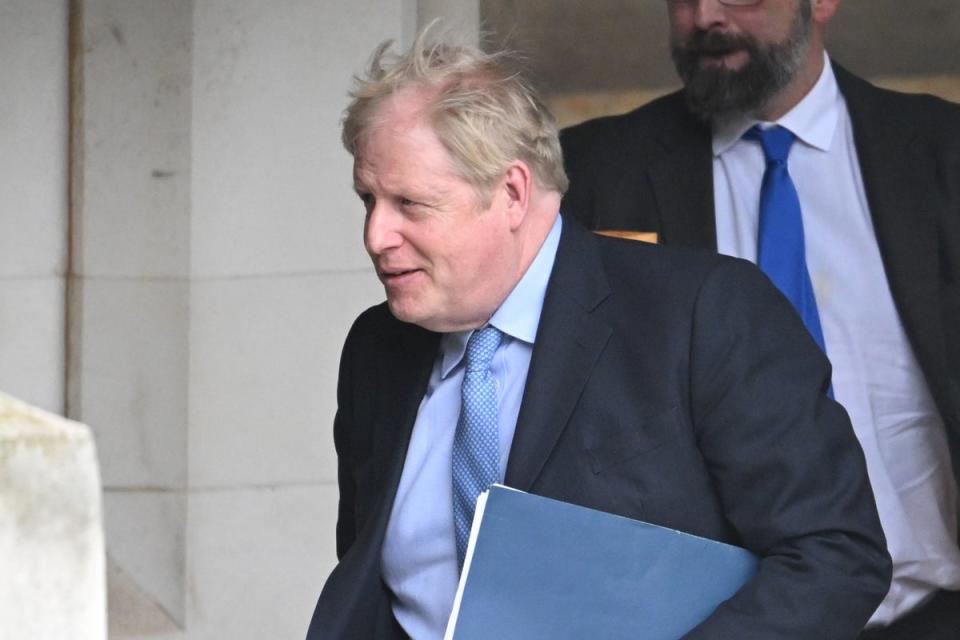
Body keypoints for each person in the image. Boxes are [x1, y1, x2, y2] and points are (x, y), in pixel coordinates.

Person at [308, 26, 890, 640]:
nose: (376, 236)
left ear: (511, 192)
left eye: (410, 204)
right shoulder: (378, 348)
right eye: (367, 200)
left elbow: (834, 554)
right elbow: (373, 579)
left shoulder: (701, 314)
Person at [560, 1, 960, 637]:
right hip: (726, 624)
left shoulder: (942, 151)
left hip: (933, 612)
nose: (706, 17)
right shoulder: (593, 170)